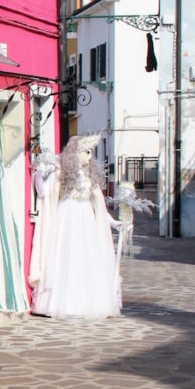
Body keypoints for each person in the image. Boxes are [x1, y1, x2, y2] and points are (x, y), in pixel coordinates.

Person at [30, 133, 120, 319]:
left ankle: (85, 302)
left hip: (85, 219)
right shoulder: (61, 172)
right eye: (86, 152)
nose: (89, 156)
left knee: (85, 257)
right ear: (76, 153)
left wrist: (113, 222)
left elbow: (99, 204)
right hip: (66, 218)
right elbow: (45, 191)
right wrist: (38, 173)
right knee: (65, 256)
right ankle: (59, 302)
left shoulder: (89, 176)